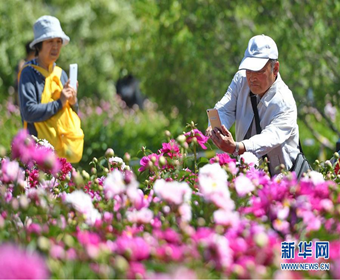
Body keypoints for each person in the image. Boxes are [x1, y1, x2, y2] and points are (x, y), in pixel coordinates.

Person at [206, 34, 300, 176]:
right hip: (247, 175)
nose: (252, 77)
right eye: (249, 69)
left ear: (275, 69)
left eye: (259, 71)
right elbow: (224, 109)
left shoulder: (285, 101)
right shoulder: (240, 79)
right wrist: (216, 127)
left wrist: (237, 147)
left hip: (283, 181)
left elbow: (269, 138)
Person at [18, 15, 83, 163]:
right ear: (38, 45)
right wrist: (60, 102)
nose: (56, 46)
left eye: (59, 41)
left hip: (61, 158)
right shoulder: (28, 72)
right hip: (36, 157)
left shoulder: (61, 74)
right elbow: (28, 112)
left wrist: (73, 102)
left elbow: (70, 116)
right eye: (50, 41)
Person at [13, 42, 35, 106]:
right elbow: (20, 81)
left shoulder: (30, 63)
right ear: (31, 53)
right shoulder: (23, 64)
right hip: (21, 93)